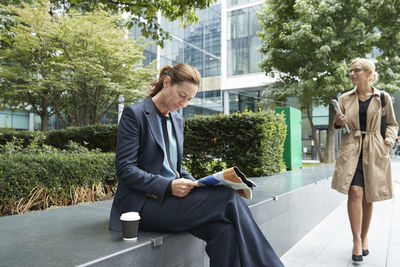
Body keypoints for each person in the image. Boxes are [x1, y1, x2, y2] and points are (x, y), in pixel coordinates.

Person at [109, 63, 283, 267]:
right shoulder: (135, 114)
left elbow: (175, 167)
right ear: (167, 83)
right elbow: (125, 169)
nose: (184, 103)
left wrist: (197, 183)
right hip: (142, 206)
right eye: (182, 95)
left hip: (172, 201)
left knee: (225, 232)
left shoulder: (177, 120)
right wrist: (167, 186)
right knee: (228, 199)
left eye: (189, 99)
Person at [332, 58, 398, 263]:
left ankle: (364, 236)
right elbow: (338, 126)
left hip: (375, 150)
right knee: (355, 191)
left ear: (369, 73)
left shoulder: (383, 97)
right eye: (351, 71)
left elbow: (393, 124)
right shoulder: (344, 98)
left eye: (356, 70)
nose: (352, 74)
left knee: (369, 196)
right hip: (352, 149)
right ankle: (356, 241)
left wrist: (387, 143)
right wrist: (337, 122)